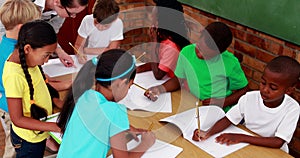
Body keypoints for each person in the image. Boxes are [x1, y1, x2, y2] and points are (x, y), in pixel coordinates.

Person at [57, 49, 156, 157]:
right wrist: (146, 144)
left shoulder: (84, 95)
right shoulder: (115, 111)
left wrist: (125, 127)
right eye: (130, 86)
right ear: (120, 83)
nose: (128, 90)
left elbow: (97, 119)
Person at [193, 56, 300, 153]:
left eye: (273, 88)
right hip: (246, 146)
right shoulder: (249, 97)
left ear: (289, 90)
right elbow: (228, 119)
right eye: (263, 83)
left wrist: (241, 137)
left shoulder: (292, 108)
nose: (265, 89)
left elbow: (278, 142)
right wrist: (207, 133)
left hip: (272, 152)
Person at [145, 22, 249, 111]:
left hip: (220, 111)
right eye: (198, 46)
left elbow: (244, 90)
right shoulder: (187, 52)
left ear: (219, 53)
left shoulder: (230, 62)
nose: (198, 53)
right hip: (196, 105)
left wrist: (222, 102)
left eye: (205, 54)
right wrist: (159, 89)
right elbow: (177, 80)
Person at [2, 20, 61, 158]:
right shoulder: (14, 75)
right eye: (46, 55)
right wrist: (53, 127)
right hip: (28, 141)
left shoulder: (30, 61)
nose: (46, 60)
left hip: (38, 133)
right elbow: (17, 119)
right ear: (28, 49)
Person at [0, 1, 41, 157]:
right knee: (14, 149)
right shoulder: (15, 53)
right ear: (21, 27)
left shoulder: (4, 42)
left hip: (8, 105)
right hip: (12, 109)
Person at [0, 0, 88, 67]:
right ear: (57, 2)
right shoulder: (18, 6)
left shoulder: (59, 12)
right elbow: (6, 29)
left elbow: (48, 35)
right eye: (71, 13)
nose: (73, 17)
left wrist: (59, 51)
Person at [136, 0, 190, 79]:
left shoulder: (171, 47)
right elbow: (158, 63)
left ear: (161, 21)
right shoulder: (162, 35)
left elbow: (158, 75)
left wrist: (154, 43)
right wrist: (139, 68)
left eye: (153, 16)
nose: (151, 18)